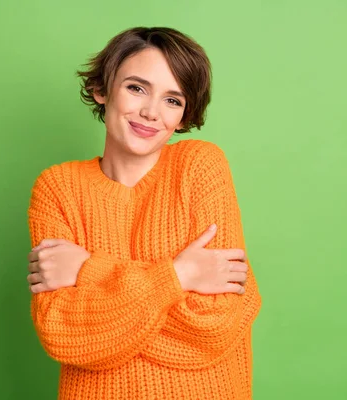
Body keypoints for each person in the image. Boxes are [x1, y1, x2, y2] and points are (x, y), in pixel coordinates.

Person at [26, 26, 262, 400]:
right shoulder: (58, 188)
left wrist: (90, 270)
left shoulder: (200, 166)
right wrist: (181, 275)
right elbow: (64, 333)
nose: (151, 112)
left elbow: (213, 323)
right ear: (102, 89)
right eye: (136, 88)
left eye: (173, 100)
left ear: (184, 117)